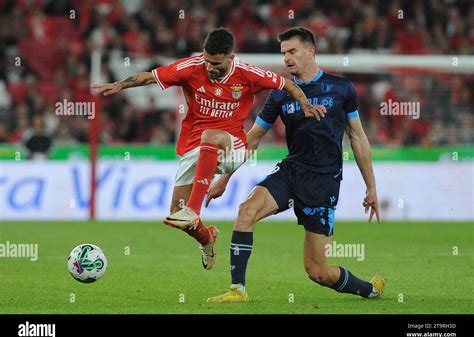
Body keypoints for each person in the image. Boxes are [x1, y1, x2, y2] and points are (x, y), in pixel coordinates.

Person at [91, 28, 325, 271]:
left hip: (233, 145)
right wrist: (120, 85)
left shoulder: (247, 74)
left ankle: (194, 209)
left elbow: (286, 84)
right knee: (175, 213)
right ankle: (207, 239)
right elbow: (150, 77)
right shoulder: (191, 67)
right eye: (206, 60)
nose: (209, 67)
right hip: (196, 149)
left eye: (215, 63)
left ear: (230, 57)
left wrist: (306, 105)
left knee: (210, 137)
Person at [206, 27, 385, 302]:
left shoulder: (341, 88)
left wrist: (371, 187)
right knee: (246, 211)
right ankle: (237, 290)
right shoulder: (280, 93)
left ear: (310, 51)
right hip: (291, 171)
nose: (286, 58)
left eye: (292, 51)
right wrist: (225, 178)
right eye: (283, 53)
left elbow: (358, 138)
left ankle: (369, 289)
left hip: (323, 182)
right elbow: (252, 139)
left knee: (318, 272)